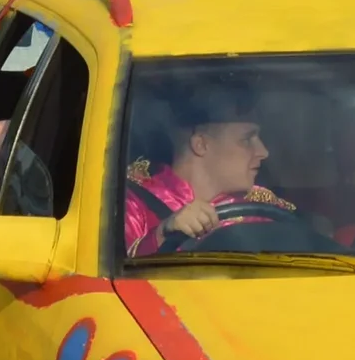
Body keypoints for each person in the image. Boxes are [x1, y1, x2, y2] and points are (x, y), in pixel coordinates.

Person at [123, 82, 298, 255]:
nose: (263, 152)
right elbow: (116, 277)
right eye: (246, 139)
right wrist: (161, 236)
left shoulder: (264, 209)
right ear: (201, 144)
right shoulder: (132, 204)